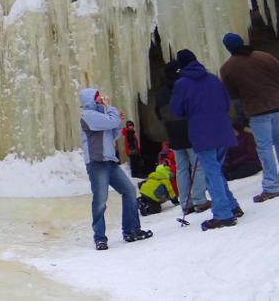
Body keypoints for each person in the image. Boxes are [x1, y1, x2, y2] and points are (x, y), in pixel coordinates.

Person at [170, 49, 243, 231]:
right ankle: (232, 205)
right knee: (216, 171)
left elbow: (177, 110)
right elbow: (227, 103)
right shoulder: (212, 78)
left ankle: (223, 214)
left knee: (211, 173)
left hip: (202, 132)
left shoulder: (182, 84)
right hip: (222, 129)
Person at [219, 33, 279, 202]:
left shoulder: (228, 67)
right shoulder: (264, 56)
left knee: (264, 147)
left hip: (258, 110)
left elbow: (231, 94)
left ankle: (271, 186)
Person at [79, 88, 152, 250]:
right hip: (97, 163)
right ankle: (100, 238)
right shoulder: (87, 116)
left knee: (129, 191)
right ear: (90, 100)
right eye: (97, 97)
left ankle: (132, 230)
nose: (101, 99)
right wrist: (111, 110)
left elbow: (111, 135)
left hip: (110, 162)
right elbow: (109, 122)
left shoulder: (101, 116)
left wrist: (118, 122)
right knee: (100, 200)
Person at [155, 60, 209, 213]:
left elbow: (159, 114)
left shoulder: (161, 93)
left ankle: (186, 203)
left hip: (173, 135)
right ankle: (199, 199)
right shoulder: (186, 87)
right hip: (190, 132)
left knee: (181, 169)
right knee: (197, 166)